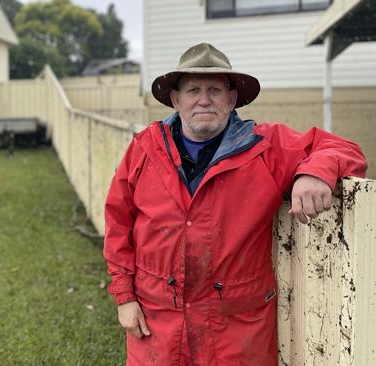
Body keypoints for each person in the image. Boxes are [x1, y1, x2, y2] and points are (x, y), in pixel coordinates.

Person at [103, 43, 367, 365]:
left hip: (234, 330)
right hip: (157, 321)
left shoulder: (264, 148)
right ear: (175, 99)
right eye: (193, 90)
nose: (203, 99)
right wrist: (124, 297)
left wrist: (314, 172)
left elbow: (343, 148)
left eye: (215, 90)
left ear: (231, 98)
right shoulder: (145, 149)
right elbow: (119, 223)